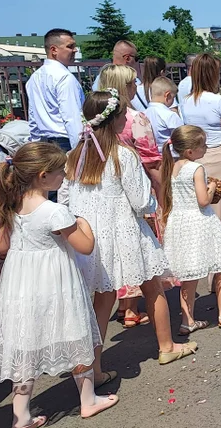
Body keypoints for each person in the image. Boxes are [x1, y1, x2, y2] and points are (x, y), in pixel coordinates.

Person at [62, 91, 196, 371]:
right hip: (126, 231)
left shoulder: (75, 155)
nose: (127, 118)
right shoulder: (123, 155)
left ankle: (94, 367)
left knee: (103, 297)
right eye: (123, 115)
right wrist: (150, 200)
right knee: (153, 286)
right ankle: (167, 346)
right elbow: (140, 201)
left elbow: (65, 198)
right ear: (113, 120)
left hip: (91, 233)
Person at [0, 143, 118, 428]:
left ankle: (20, 417)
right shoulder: (55, 212)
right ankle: (87, 399)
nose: (64, 175)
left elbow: (1, 248)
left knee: (25, 342)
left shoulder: (11, 206)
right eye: (60, 171)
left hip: (20, 285)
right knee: (74, 330)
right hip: (55, 282)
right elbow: (85, 247)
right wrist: (83, 223)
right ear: (42, 176)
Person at [159, 125, 221, 332]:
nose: (206, 148)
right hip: (200, 221)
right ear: (191, 151)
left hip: (180, 221)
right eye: (203, 145)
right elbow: (203, 200)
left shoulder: (172, 167)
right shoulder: (196, 168)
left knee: (189, 274)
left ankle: (187, 320)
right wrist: (211, 189)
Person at [98, 65, 163, 326]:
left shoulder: (95, 120)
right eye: (133, 83)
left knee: (116, 250)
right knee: (139, 248)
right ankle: (138, 307)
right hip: (137, 187)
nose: (137, 87)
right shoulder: (136, 118)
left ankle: (126, 306)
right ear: (125, 87)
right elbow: (152, 161)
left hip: (106, 192)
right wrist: (163, 192)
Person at [180, 54, 221, 286]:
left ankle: (210, 273)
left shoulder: (185, 101)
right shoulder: (219, 101)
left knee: (206, 216)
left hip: (198, 159)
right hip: (219, 154)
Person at [27, 29, 85, 152]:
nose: (75, 50)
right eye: (70, 46)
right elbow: (72, 117)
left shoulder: (34, 77)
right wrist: (79, 151)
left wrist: (35, 143)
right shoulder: (65, 77)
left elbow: (32, 116)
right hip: (66, 142)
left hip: (44, 144)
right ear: (54, 50)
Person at [91, 41, 146, 109]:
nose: (136, 62)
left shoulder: (102, 79)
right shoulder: (131, 77)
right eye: (136, 58)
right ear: (127, 58)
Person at [145, 77, 183, 152]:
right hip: (171, 155)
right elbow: (182, 136)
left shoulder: (143, 114)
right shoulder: (170, 115)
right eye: (173, 97)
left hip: (152, 154)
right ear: (167, 95)